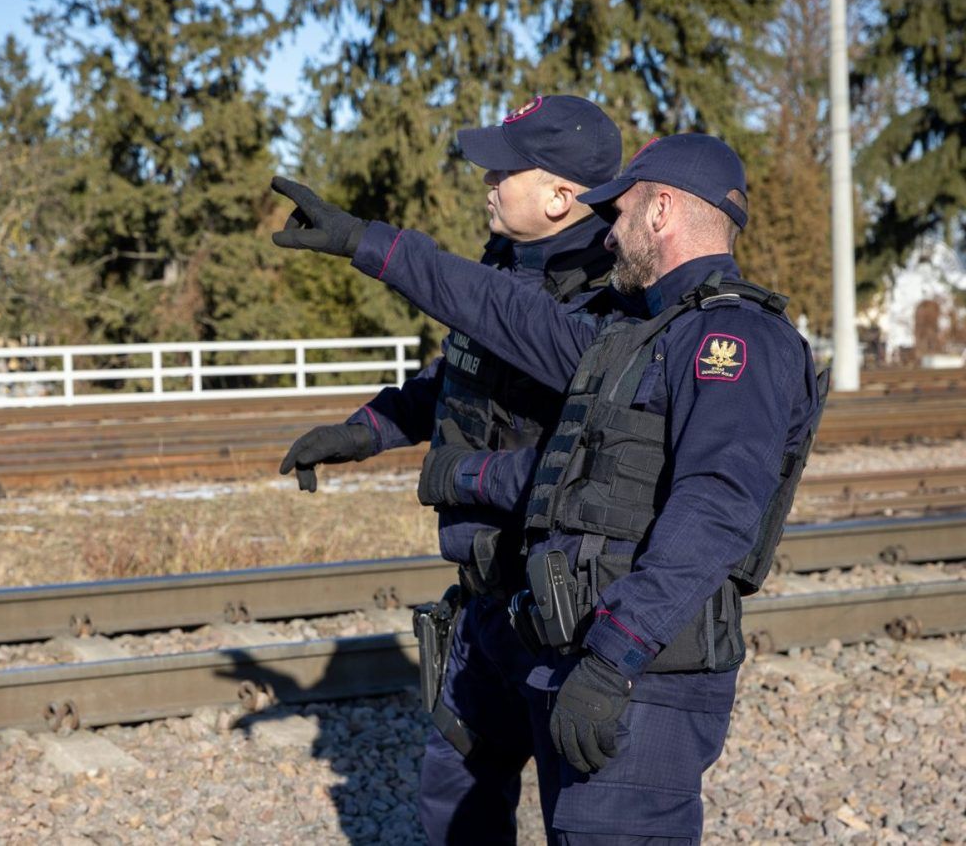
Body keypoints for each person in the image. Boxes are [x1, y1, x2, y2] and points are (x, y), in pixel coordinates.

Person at [271, 133, 825, 844]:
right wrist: (365, 243)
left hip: (647, 663)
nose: (608, 232)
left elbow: (715, 511)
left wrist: (611, 656)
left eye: (619, 213)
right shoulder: (634, 332)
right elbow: (498, 313)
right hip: (594, 641)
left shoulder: (732, 340)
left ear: (660, 212)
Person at [275, 95, 621, 841]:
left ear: (562, 195)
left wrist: (461, 477)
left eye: (506, 168)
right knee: (454, 795)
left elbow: (590, 468)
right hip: (486, 605)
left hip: (567, 617)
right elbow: (455, 379)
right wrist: (361, 432)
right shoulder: (508, 265)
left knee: (581, 819)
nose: (487, 179)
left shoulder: (612, 302)